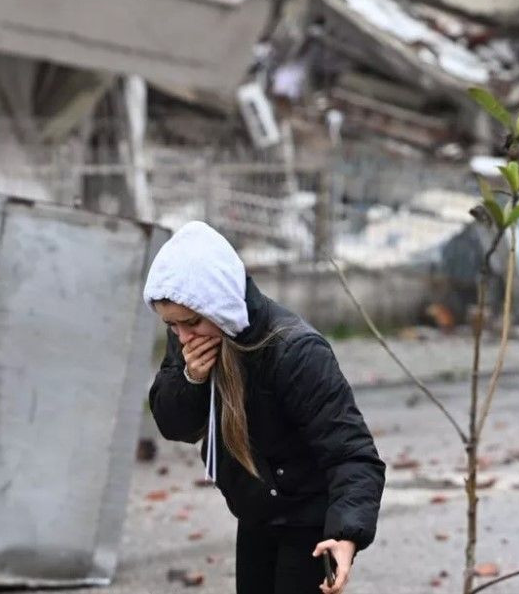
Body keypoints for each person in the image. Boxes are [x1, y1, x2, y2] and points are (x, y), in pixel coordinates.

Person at [143, 221, 385, 594]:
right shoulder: (189, 340)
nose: (183, 336)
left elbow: (352, 453)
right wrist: (191, 379)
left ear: (219, 303)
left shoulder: (294, 350)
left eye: (191, 322)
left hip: (309, 519)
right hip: (257, 512)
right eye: (172, 326)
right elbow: (174, 425)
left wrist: (346, 535)